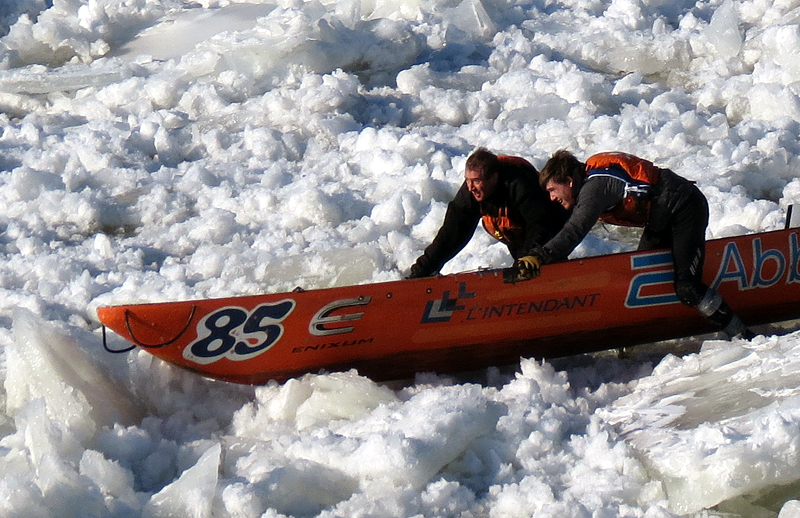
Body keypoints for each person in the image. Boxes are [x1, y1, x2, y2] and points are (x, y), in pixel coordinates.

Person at [517, 149, 753, 339]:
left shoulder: (594, 188)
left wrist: (541, 256)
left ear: (569, 182)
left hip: (684, 208)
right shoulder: (587, 182)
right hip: (660, 218)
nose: (552, 198)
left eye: (552, 190)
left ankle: (743, 334)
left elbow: (576, 229)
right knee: (641, 284)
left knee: (687, 287)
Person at [406, 147, 569, 278]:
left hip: (548, 233)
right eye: (467, 180)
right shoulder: (470, 193)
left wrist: (527, 260)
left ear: (494, 178)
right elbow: (450, 236)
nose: (471, 187)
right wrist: (422, 270)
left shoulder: (520, 184)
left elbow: (540, 225)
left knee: (537, 264)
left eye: (476, 181)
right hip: (517, 239)